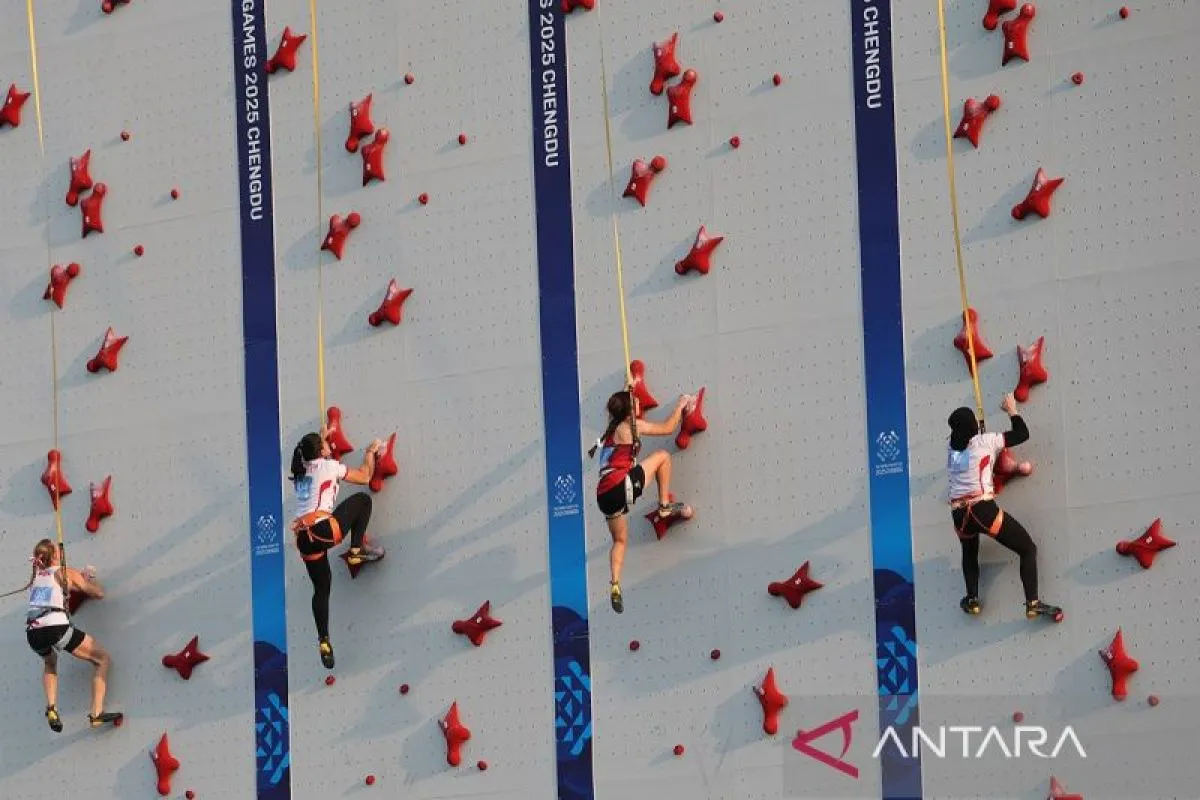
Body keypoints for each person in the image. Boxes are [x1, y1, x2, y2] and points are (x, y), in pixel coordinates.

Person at [947, 393, 1062, 622]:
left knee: (969, 552)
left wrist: (980, 436)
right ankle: (1033, 603)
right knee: (1027, 548)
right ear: (973, 428)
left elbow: (969, 445)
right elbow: (1022, 434)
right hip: (981, 510)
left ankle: (972, 599)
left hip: (959, 514)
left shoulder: (952, 448)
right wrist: (1012, 410)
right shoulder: (986, 441)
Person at [589, 388, 693, 614]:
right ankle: (664, 507)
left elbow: (618, 406)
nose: (639, 405)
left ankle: (615, 583)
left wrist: (628, 390)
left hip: (604, 496)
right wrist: (681, 405)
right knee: (663, 457)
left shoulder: (611, 430)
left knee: (620, 541)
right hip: (619, 485)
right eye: (635, 403)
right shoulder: (631, 426)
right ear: (628, 412)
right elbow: (668, 428)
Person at [288, 430, 385, 669]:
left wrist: (320, 439)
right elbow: (365, 476)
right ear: (321, 450)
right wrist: (370, 452)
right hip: (323, 529)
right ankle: (356, 550)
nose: (328, 444)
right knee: (363, 501)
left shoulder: (300, 472)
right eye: (324, 443)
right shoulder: (330, 466)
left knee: (321, 588)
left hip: (304, 538)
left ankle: (323, 640)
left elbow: (309, 459)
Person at [23, 539, 121, 732]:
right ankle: (96, 714)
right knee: (102, 659)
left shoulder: (36, 578)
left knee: (50, 663)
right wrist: (89, 578)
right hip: (55, 627)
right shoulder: (64, 572)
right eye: (58, 550)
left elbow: (53, 595)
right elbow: (98, 593)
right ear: (55, 555)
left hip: (33, 633)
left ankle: (51, 708)